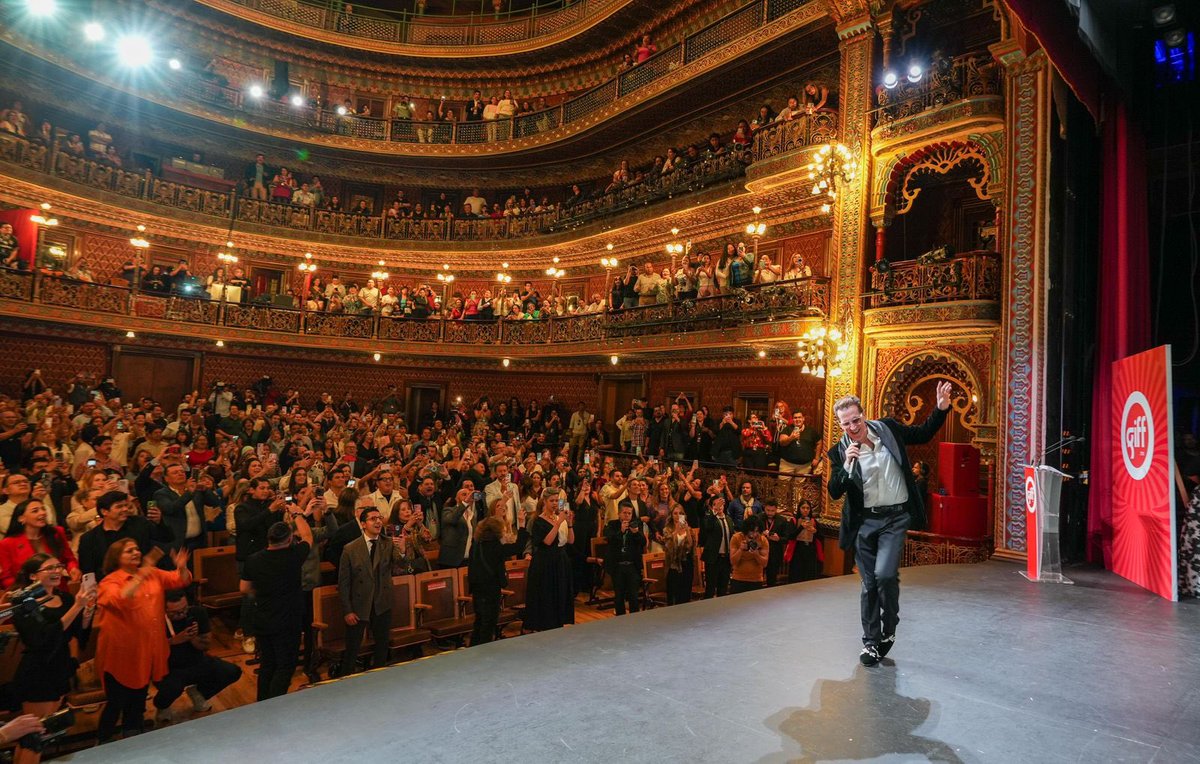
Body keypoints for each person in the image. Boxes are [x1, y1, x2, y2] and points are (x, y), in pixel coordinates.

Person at [828, 380, 951, 667]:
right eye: (846, 424)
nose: (852, 427)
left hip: (895, 517)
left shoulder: (887, 429)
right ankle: (871, 642)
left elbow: (922, 434)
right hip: (864, 522)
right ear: (840, 424)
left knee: (884, 575)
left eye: (856, 420)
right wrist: (847, 465)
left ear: (864, 415)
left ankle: (890, 628)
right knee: (869, 583)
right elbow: (834, 491)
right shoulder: (839, 451)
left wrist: (941, 409)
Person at [94, 540, 191, 743]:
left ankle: (134, 741)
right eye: (129, 551)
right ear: (116, 557)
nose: (136, 552)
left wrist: (181, 567)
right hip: (121, 653)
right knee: (116, 702)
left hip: (147, 650)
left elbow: (179, 581)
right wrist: (142, 573)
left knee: (138, 700)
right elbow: (120, 599)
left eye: (137, 548)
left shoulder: (152, 573)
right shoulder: (109, 582)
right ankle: (101, 745)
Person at [8, 554, 95, 764]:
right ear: (32, 576)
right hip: (39, 673)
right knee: (34, 736)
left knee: (43, 735)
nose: (57, 571)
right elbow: (42, 640)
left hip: (60, 669)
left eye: (58, 566)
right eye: (49, 568)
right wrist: (77, 607)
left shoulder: (64, 597)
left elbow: (77, 633)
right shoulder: (23, 606)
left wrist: (87, 611)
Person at [240, 512, 313, 701]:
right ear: (289, 539)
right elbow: (307, 536)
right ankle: (274, 705)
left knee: (267, 665)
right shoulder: (293, 555)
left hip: (264, 618)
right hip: (288, 621)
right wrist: (297, 514)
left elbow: (244, 588)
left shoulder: (254, 559)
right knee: (285, 666)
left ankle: (262, 703)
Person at [153, 590, 241, 724]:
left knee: (231, 671)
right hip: (169, 668)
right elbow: (150, 653)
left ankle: (199, 693)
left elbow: (206, 646)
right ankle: (162, 706)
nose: (181, 614)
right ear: (164, 610)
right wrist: (173, 641)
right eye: (175, 613)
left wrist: (193, 639)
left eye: (184, 609)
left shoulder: (197, 613)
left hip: (196, 662)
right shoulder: (155, 620)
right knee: (173, 687)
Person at [337, 506, 399, 676]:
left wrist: (402, 550)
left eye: (379, 518)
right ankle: (346, 680)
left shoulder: (388, 543)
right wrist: (348, 610)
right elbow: (343, 583)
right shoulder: (350, 549)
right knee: (352, 649)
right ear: (363, 524)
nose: (378, 521)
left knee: (381, 647)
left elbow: (403, 566)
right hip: (359, 605)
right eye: (373, 518)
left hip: (381, 603)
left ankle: (378, 678)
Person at [467, 509, 528, 646]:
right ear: (496, 532)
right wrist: (522, 524)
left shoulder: (476, 544)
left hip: (477, 587)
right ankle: (484, 650)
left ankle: (474, 649)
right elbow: (519, 547)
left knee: (479, 621)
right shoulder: (495, 547)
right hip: (490, 589)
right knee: (488, 623)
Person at [523, 488, 574, 631]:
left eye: (557, 500)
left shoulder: (559, 517)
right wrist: (559, 522)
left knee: (561, 593)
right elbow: (547, 541)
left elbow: (570, 540)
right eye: (551, 501)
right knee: (547, 595)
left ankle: (559, 622)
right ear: (544, 501)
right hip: (545, 562)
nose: (555, 503)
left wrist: (569, 523)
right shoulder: (538, 520)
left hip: (560, 559)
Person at [604, 503, 646, 616]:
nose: (627, 515)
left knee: (633, 596)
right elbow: (609, 540)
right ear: (619, 513)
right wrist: (621, 531)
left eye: (629, 513)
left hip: (632, 566)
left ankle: (635, 621)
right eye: (624, 513)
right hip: (618, 566)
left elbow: (643, 542)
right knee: (619, 596)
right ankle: (620, 620)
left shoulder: (636, 525)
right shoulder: (612, 524)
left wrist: (636, 533)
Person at [698, 496, 733, 598]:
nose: (719, 507)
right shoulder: (709, 518)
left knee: (723, 588)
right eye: (715, 504)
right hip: (713, 558)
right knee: (710, 588)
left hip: (726, 558)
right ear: (712, 507)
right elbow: (708, 527)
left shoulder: (728, 519)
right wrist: (715, 511)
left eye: (720, 504)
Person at [661, 504, 695, 605]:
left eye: (680, 513)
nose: (677, 516)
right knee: (674, 596)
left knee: (685, 595)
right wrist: (676, 531)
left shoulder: (689, 529)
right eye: (675, 513)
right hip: (674, 566)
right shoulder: (667, 530)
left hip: (687, 564)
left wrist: (687, 530)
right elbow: (668, 547)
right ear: (671, 515)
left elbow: (690, 545)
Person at [729, 514, 769, 594]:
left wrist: (756, 553)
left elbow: (764, 563)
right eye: (752, 531)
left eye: (757, 531)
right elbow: (733, 561)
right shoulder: (736, 538)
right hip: (738, 579)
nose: (754, 534)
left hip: (756, 580)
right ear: (746, 530)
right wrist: (740, 549)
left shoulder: (763, 540)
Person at [778, 410, 823, 476]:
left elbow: (819, 442)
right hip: (787, 464)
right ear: (792, 419)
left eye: (799, 417)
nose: (797, 419)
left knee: (799, 486)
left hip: (805, 466)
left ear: (803, 419)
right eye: (795, 418)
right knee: (783, 485)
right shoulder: (787, 429)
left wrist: (817, 458)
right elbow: (781, 442)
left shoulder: (811, 431)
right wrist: (791, 438)